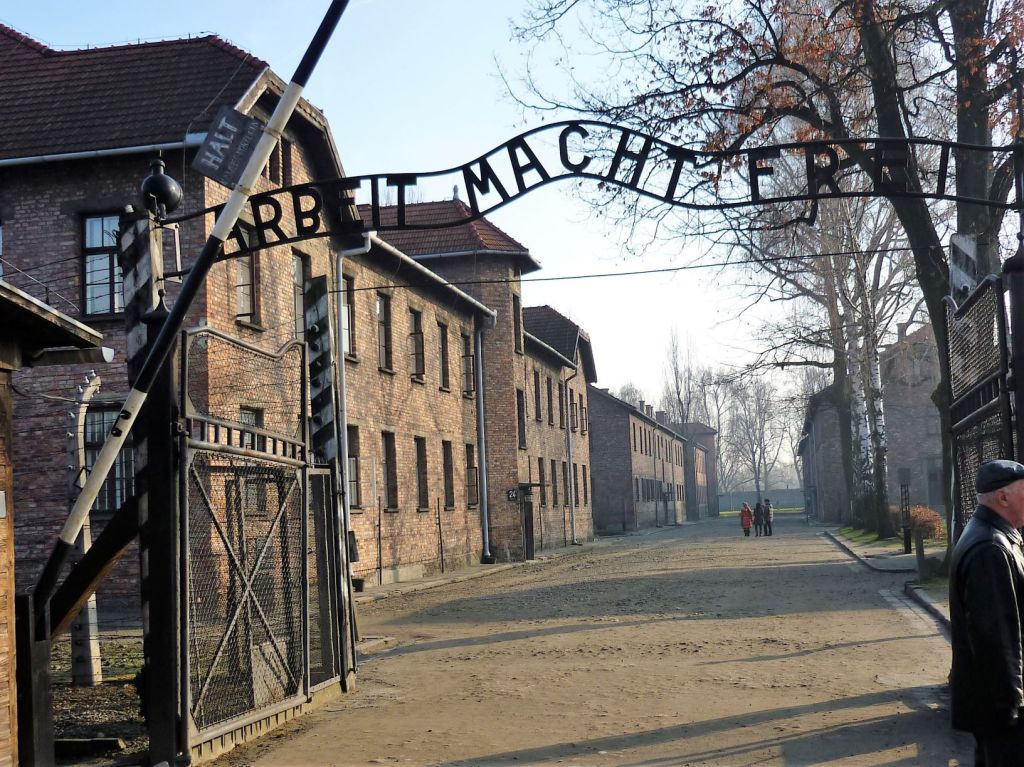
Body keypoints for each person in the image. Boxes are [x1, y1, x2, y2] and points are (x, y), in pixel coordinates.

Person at [950, 458, 1024, 766]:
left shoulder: (987, 534)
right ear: (1003, 497)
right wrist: (1012, 708)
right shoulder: (991, 548)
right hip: (1001, 710)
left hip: (990, 705)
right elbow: (997, 639)